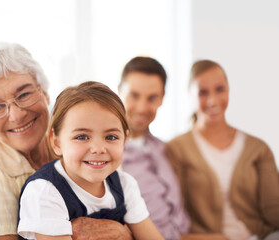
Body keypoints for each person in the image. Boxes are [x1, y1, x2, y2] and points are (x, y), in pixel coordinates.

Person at [0, 43, 133, 240]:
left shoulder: (87, 146)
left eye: (24, 95)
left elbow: (133, 220)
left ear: (46, 93)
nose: (16, 115)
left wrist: (122, 233)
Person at [17, 81, 164, 240]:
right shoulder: (44, 192)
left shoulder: (125, 184)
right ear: (56, 142)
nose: (98, 148)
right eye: (81, 137)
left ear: (124, 139)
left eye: (111, 137)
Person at [166, 59, 279, 240]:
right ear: (190, 95)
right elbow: (175, 215)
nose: (213, 101)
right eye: (203, 93)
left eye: (220, 89)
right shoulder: (176, 149)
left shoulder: (258, 149)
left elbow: (273, 209)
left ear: (229, 90)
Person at [118, 56, 190, 239]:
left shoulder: (165, 149)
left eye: (152, 98)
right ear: (119, 92)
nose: (142, 108)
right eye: (134, 95)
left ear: (162, 99)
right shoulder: (104, 153)